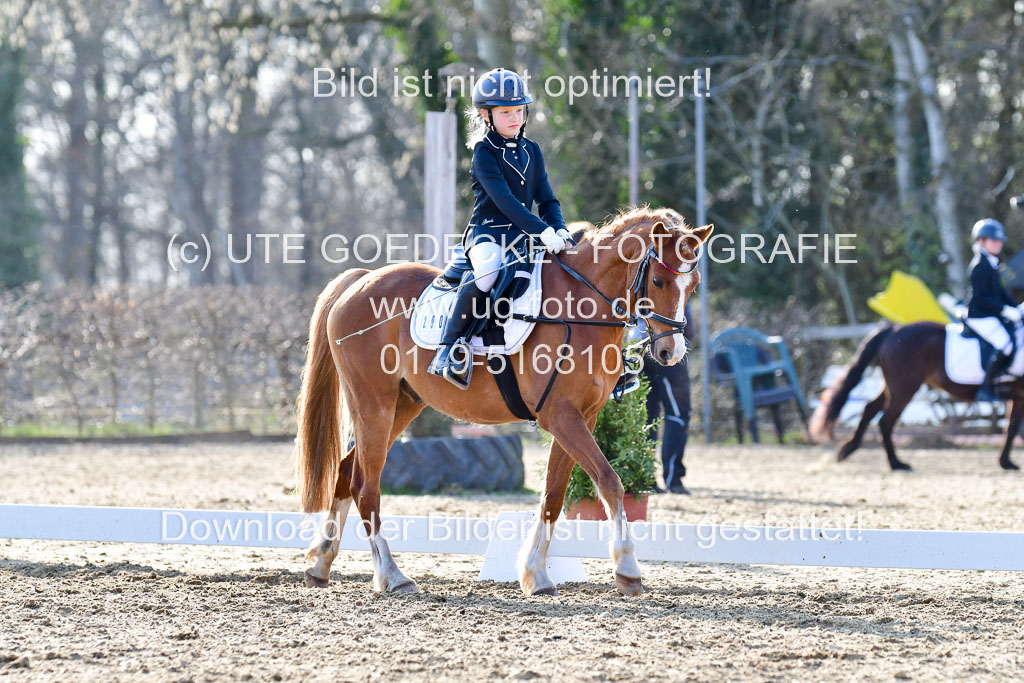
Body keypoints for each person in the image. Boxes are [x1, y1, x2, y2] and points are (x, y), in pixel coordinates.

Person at [428, 67, 572, 389]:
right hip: (488, 234)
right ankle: (448, 348)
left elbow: (547, 199)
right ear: (486, 114)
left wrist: (559, 228)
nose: (514, 118)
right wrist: (541, 231)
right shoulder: (484, 151)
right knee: (489, 271)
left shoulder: (532, 150)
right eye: (506, 112)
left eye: (518, 111)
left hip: (524, 238)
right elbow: (506, 203)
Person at [966, 218, 1021, 401]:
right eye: (994, 240)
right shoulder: (979, 265)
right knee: (1005, 344)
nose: (999, 244)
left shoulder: (991, 262)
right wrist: (1005, 310)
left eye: (1000, 241)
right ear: (981, 241)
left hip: (990, 314)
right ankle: (985, 387)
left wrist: (1017, 308)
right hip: (979, 316)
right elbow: (982, 298)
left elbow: (1000, 293)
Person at [643, 301, 693, 494]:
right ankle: (673, 479)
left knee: (646, 415)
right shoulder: (673, 276)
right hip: (667, 345)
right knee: (678, 413)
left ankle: (646, 476)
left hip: (638, 347)